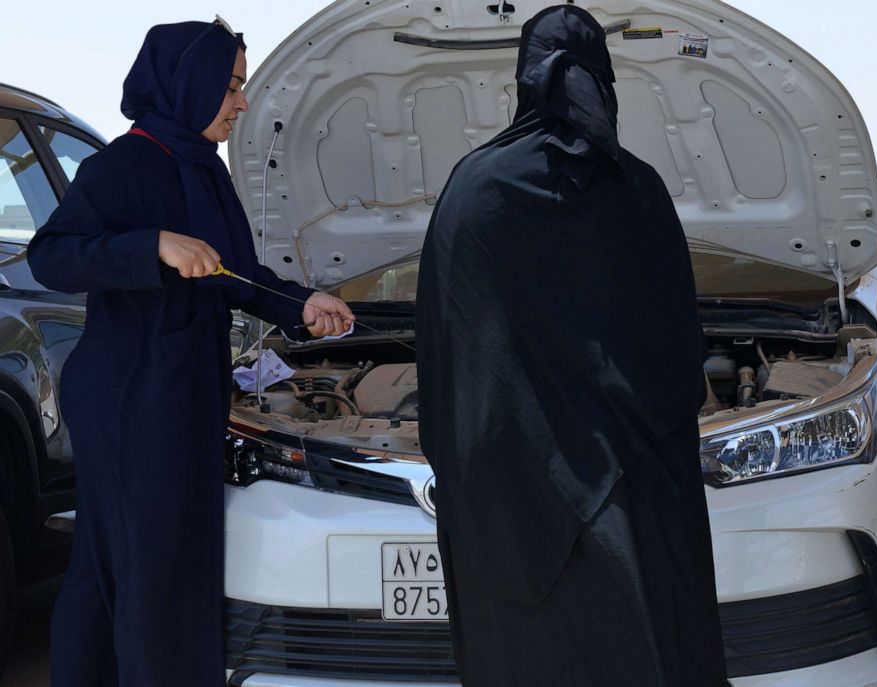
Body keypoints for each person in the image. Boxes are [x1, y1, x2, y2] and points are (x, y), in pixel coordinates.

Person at [26, 19, 354, 686]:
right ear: (190, 82)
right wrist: (152, 245)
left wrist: (302, 306)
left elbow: (238, 275)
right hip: (130, 401)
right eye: (231, 86)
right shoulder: (122, 163)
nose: (239, 102)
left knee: (131, 563)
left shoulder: (205, 169)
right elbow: (51, 256)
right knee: (147, 566)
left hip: (184, 395)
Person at [416, 5, 728, 686]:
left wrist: (462, 461)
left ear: (526, 78)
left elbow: (447, 349)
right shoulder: (639, 189)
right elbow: (677, 352)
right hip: (630, 489)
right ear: (603, 81)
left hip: (507, 497)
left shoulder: (475, 189)